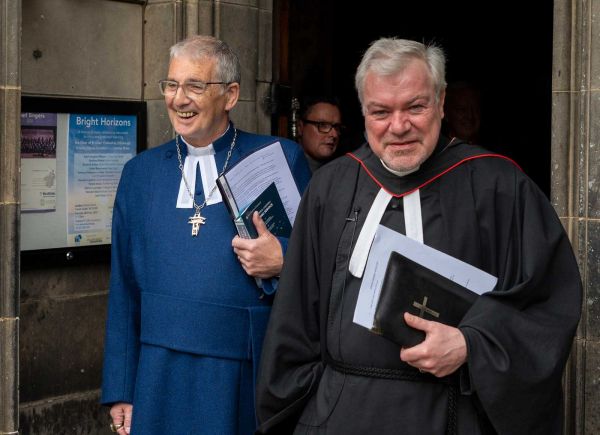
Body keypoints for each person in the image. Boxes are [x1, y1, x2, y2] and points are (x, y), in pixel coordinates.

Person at [256, 37, 582, 434]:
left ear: (441, 102)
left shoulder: (501, 188)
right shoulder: (331, 187)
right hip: (340, 415)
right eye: (381, 111)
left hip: (448, 415)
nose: (399, 126)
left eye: (415, 106)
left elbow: (547, 305)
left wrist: (472, 346)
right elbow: (294, 321)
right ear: (363, 112)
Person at [101, 35, 311, 435]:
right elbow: (123, 288)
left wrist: (284, 260)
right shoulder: (139, 174)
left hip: (242, 369)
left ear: (230, 95)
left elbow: (321, 265)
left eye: (195, 86)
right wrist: (121, 388)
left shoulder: (280, 158)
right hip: (157, 372)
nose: (180, 99)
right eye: (172, 85)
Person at [296, 96, 344, 172]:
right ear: (300, 128)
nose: (334, 134)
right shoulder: (284, 171)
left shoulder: (343, 172)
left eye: (336, 127)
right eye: (323, 125)